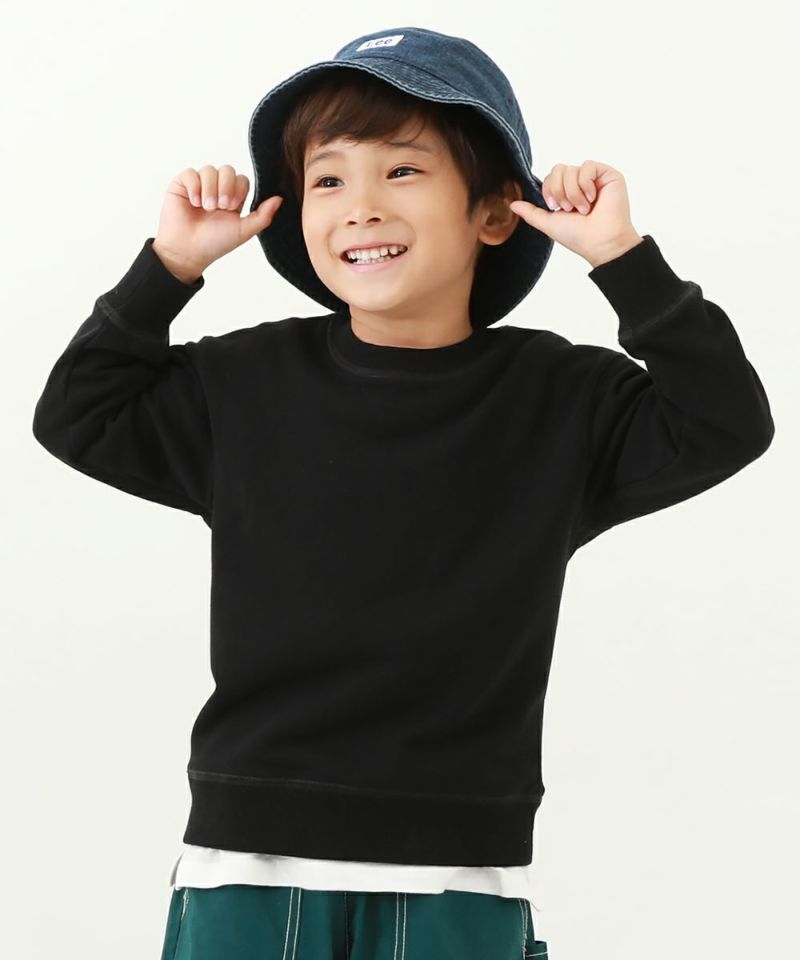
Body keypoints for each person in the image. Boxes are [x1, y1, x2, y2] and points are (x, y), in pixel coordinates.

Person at [31, 24, 774, 960]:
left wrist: (621, 255)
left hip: (457, 873)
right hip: (249, 865)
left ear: (494, 212)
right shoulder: (243, 384)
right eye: (328, 179)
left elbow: (726, 421)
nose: (361, 208)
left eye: (403, 171)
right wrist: (169, 267)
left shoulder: (561, 400)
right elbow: (78, 415)